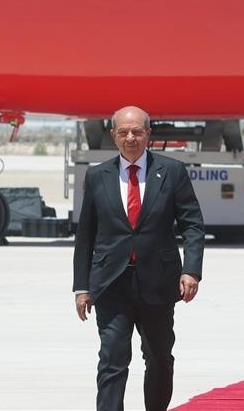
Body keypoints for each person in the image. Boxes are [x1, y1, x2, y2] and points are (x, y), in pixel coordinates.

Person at [73, 105, 205, 411]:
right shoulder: (97, 176)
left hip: (158, 282)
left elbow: (193, 225)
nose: (130, 138)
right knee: (112, 359)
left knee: (159, 358)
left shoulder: (171, 171)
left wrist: (191, 270)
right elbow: (85, 235)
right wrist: (82, 287)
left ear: (148, 134)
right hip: (111, 283)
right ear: (113, 135)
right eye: (123, 132)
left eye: (136, 132)